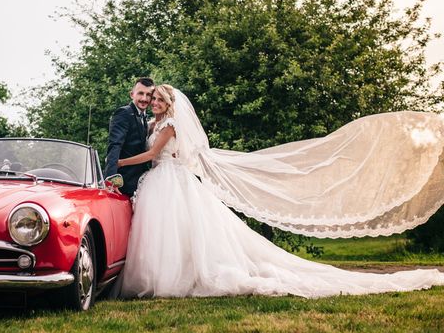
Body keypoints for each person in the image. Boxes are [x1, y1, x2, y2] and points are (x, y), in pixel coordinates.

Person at [117, 84, 444, 298]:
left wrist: (118, 162)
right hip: (163, 181)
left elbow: (149, 155)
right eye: (153, 99)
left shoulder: (169, 125)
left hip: (171, 180)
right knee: (171, 233)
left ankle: (175, 279)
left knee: (179, 231)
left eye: (159, 99)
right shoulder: (152, 123)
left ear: (168, 103)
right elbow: (145, 141)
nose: (155, 102)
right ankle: (167, 276)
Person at [104, 77, 155, 196]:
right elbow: (115, 145)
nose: (144, 98)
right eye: (140, 93)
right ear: (132, 94)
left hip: (140, 180)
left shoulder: (144, 116)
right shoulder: (124, 113)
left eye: (148, 94)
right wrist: (111, 180)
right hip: (123, 182)